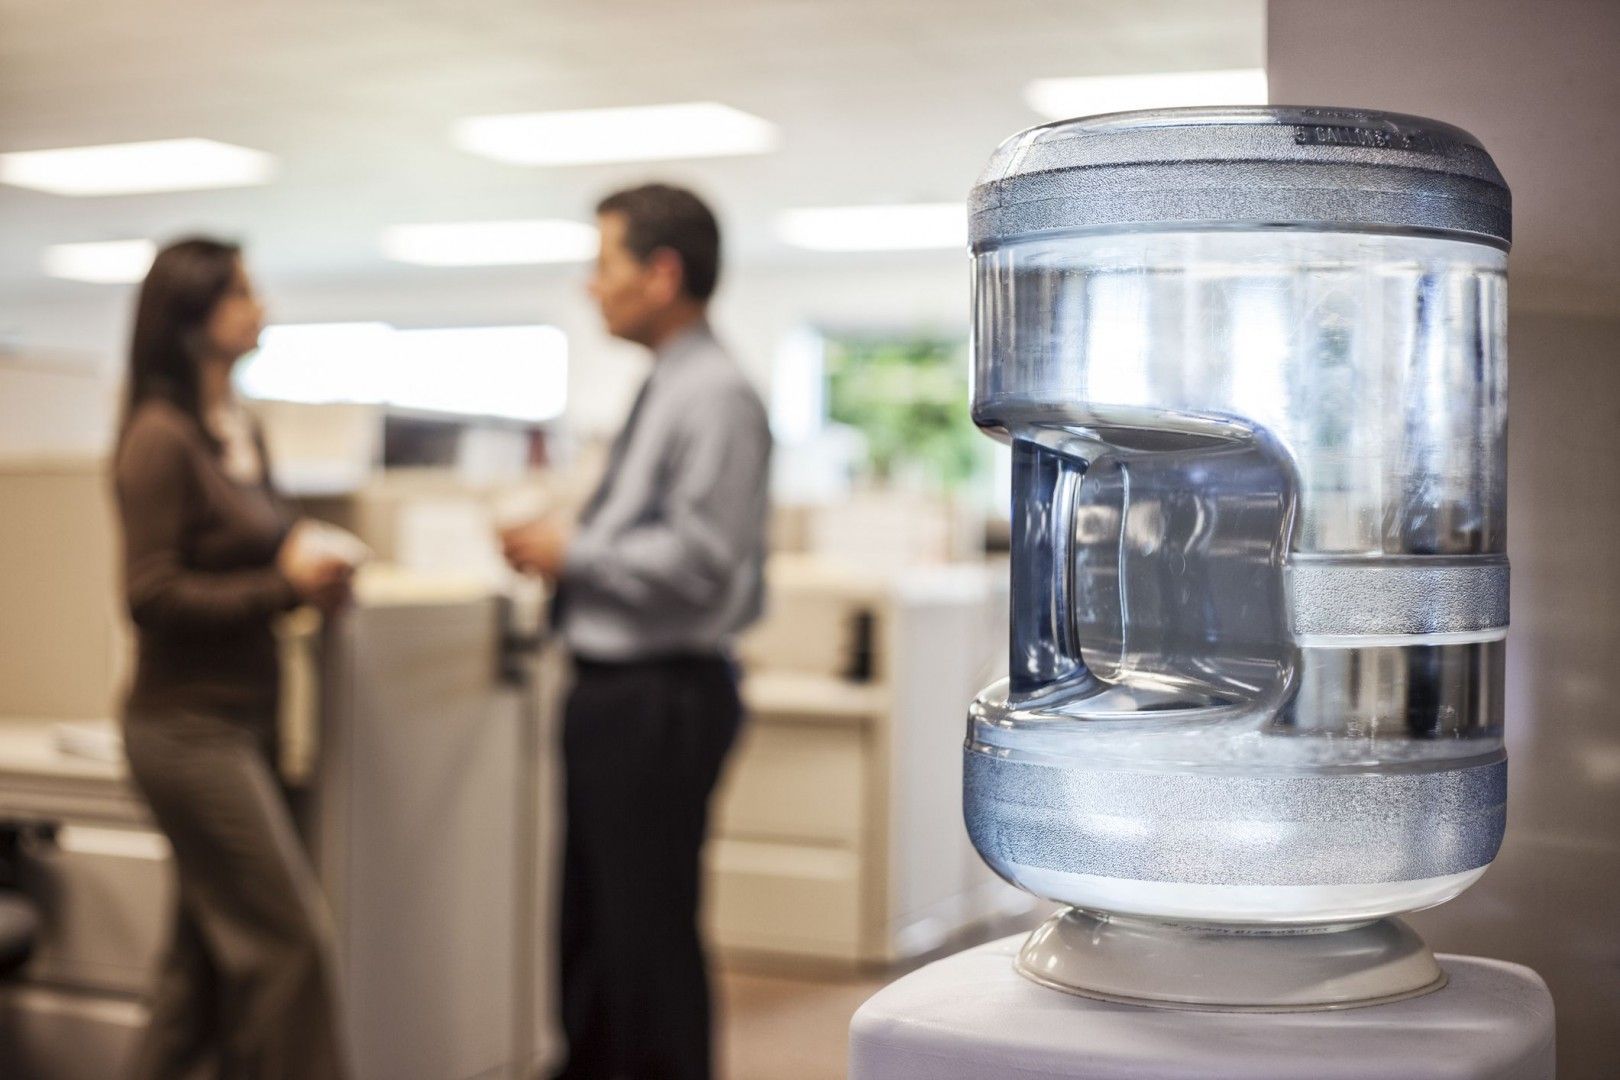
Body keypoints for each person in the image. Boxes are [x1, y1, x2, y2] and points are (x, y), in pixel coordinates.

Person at [502, 184, 772, 1080]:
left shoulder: (715, 393)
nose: (590, 286)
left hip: (660, 695)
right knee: (595, 936)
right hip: (620, 693)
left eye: (604, 263)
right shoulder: (670, 382)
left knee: (643, 942)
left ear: (662, 274)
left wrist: (572, 551)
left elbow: (700, 559)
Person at [112, 237, 353, 1080]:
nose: (262, 310)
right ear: (191, 317)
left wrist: (311, 562)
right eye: (242, 294)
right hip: (187, 730)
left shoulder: (237, 430)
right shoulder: (159, 439)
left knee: (200, 974)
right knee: (292, 948)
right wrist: (282, 587)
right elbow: (149, 596)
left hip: (247, 721)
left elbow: (268, 544)